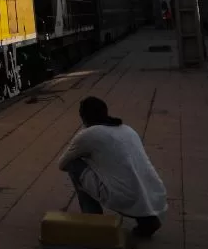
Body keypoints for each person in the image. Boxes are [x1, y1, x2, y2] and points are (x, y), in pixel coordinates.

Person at [57, 96, 166, 238]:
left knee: (74, 164)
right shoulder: (127, 129)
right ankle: (147, 220)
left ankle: (93, 220)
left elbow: (62, 164)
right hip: (153, 194)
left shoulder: (89, 134)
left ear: (83, 117)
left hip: (123, 197)